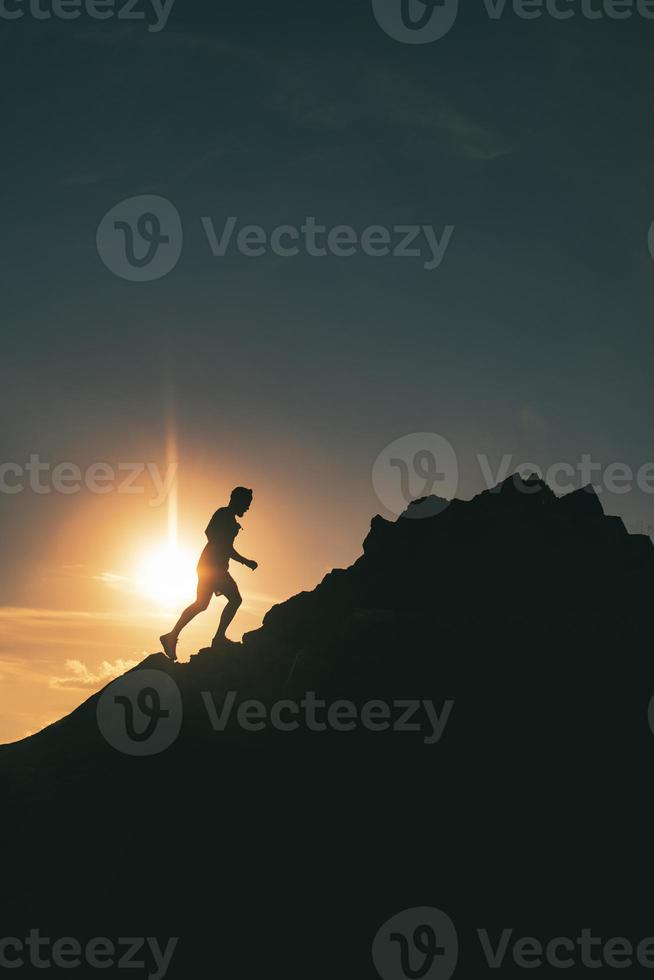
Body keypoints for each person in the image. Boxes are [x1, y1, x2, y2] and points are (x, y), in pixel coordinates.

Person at [160, 487, 258, 660]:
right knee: (234, 600)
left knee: (201, 604)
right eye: (246, 504)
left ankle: (171, 636)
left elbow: (226, 547)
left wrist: (238, 557)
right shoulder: (223, 514)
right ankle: (218, 638)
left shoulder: (229, 518)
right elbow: (210, 533)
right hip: (211, 567)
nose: (247, 508)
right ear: (237, 500)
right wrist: (244, 560)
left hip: (212, 567)